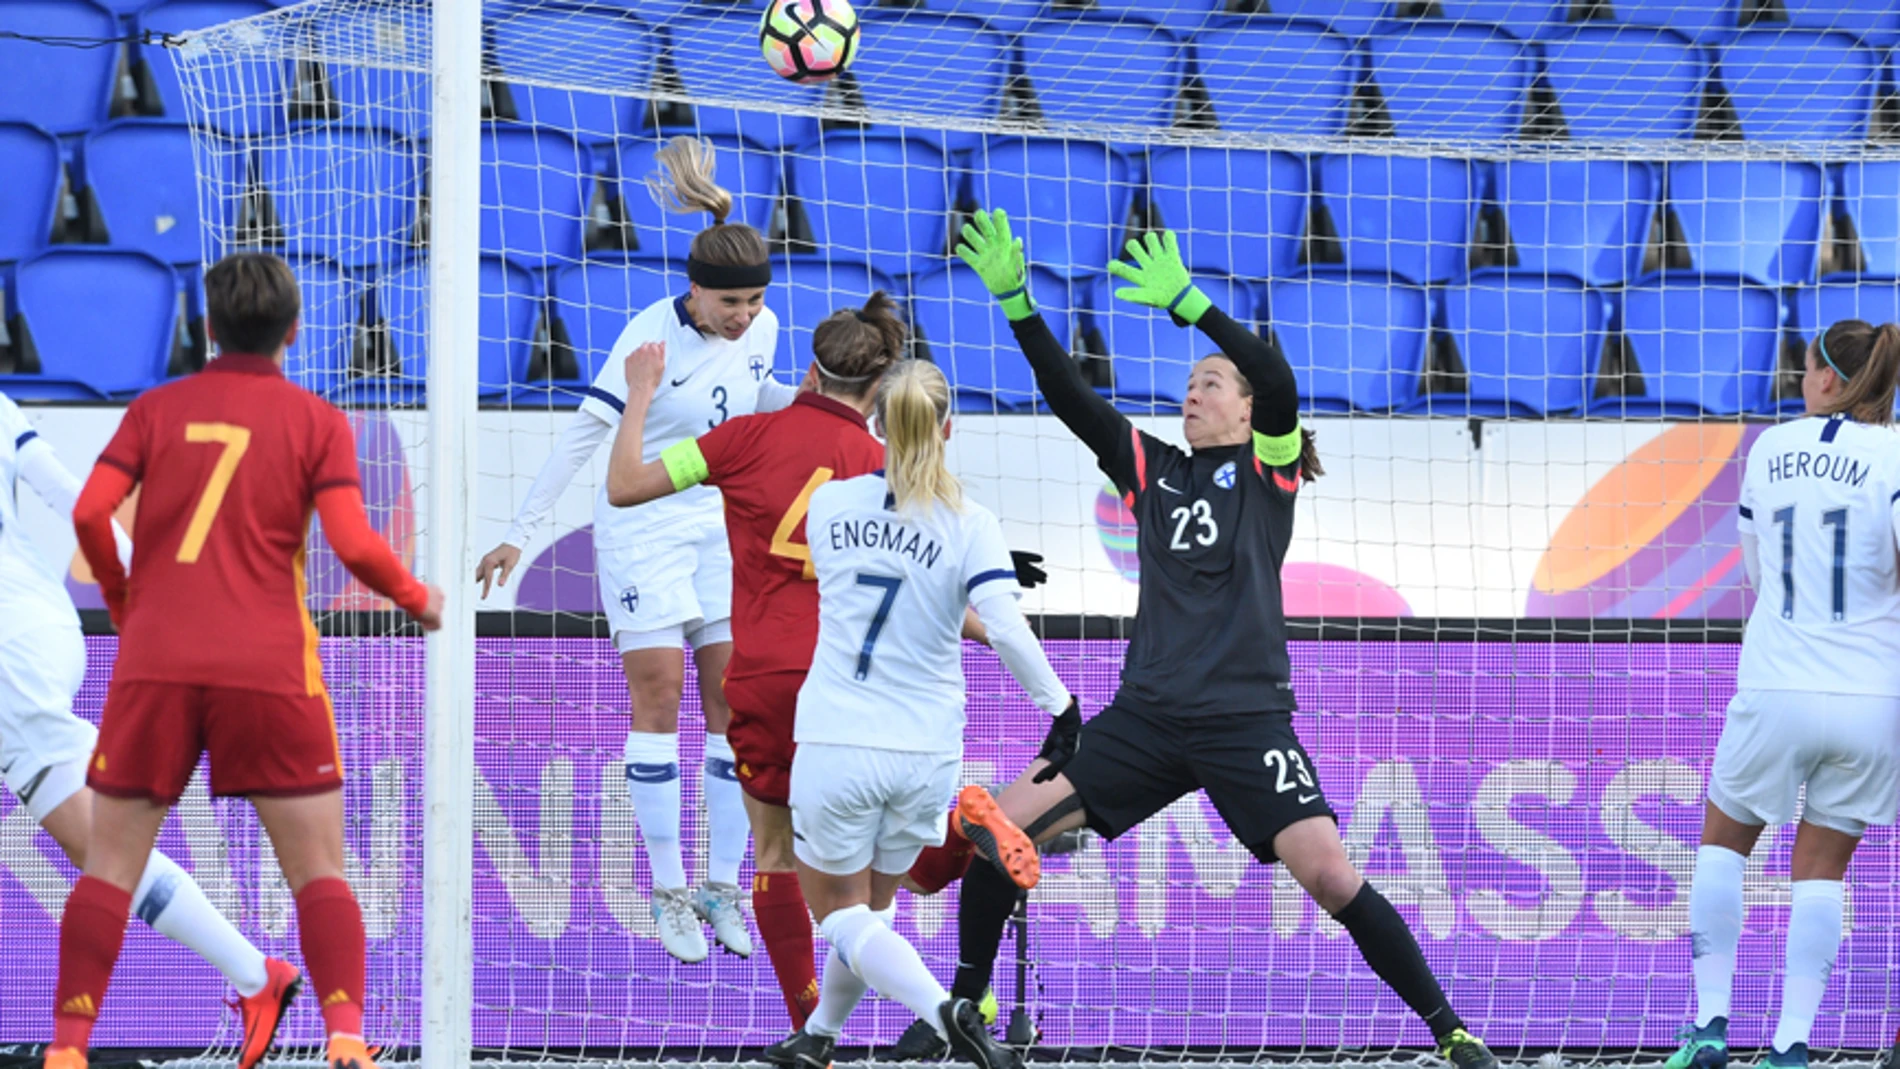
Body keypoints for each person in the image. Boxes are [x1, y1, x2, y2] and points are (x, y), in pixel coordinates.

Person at [899, 211, 1500, 1069]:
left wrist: (1192, 304)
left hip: (1244, 722)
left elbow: (1276, 373)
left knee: (1331, 876)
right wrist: (1017, 304)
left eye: (1214, 382)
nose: (1197, 390)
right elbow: (1074, 400)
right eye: (1190, 381)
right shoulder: (1152, 470)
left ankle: (1450, 1030)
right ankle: (971, 998)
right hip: (1145, 716)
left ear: (1250, 409)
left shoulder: (1268, 469)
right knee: (996, 827)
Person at [44, 253, 444, 1069]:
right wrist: (416, 597)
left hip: (156, 661)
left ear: (205, 327)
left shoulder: (157, 409)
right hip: (269, 667)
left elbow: (88, 510)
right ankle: (344, 1036)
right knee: (318, 869)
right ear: (294, 331)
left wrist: (123, 597)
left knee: (110, 868)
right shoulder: (317, 420)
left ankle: (68, 1049)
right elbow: (354, 543)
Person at [475, 135, 795, 962]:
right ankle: (667, 890)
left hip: (719, 525)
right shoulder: (646, 340)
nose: (747, 315)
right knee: (658, 696)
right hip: (644, 528)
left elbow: (760, 398)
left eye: (757, 300)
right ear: (696, 291)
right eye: (734, 304)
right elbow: (584, 439)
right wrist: (520, 530)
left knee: (734, 702)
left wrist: (836, 409)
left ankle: (724, 885)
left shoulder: (764, 329)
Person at [760, 357, 1072, 1069]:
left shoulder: (829, 506)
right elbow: (1008, 629)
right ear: (949, 428)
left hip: (839, 736)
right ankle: (819, 1037)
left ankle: (947, 1010)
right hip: (927, 754)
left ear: (876, 424)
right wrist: (1062, 706)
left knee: (838, 914)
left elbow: (867, 568)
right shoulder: (971, 522)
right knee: (874, 907)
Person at [601, 291, 896, 1026]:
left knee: (776, 855)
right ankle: (949, 858)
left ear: (808, 369)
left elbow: (625, 485)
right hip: (847, 683)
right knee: (869, 863)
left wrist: (639, 396)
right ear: (878, 388)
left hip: (763, 675)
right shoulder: (881, 464)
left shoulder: (745, 436)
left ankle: (810, 1027)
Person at [0, 392, 299, 1069]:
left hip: (7, 661)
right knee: (98, 846)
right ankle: (258, 977)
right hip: (41, 624)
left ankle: (252, 979)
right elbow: (70, 494)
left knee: (104, 851)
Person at [1665, 320, 1900, 1069]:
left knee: (1723, 846)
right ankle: (1792, 1043)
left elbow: (1758, 574)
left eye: (1805, 368)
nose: (1800, 381)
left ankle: (1708, 1025)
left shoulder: (1769, 449)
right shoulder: (1897, 456)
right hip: (1871, 693)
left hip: (1776, 681)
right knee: (1822, 869)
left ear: (1830, 378)